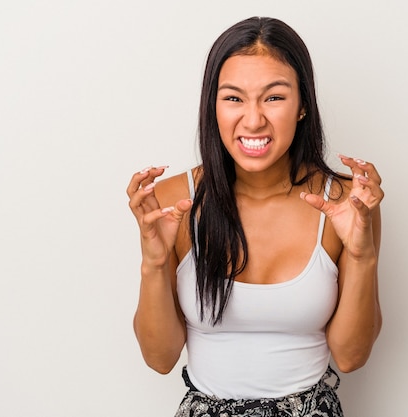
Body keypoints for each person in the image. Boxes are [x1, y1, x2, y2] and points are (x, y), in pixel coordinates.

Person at [127, 16, 383, 417]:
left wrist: (363, 256)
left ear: (302, 107)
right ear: (213, 106)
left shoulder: (346, 203)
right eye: (233, 98)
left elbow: (351, 357)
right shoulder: (175, 200)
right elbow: (160, 358)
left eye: (274, 97)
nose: (252, 120)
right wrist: (154, 262)